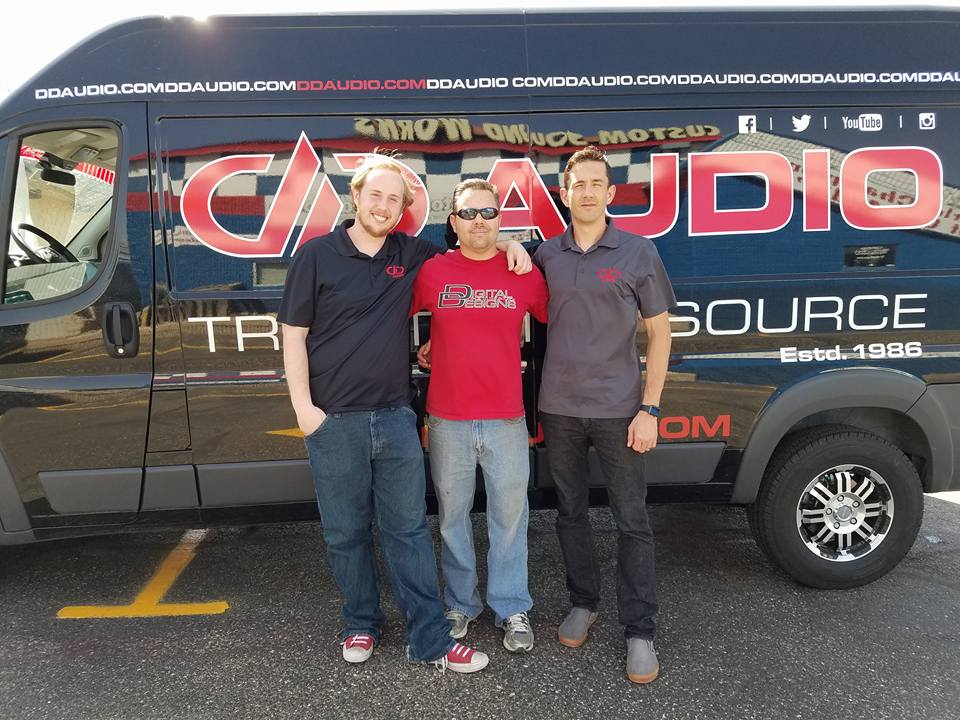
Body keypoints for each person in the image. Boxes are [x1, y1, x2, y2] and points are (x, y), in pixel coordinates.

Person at [278, 153, 531, 673]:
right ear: (356, 196)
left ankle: (430, 639)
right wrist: (305, 410)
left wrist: (508, 243)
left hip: (395, 416)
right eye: (376, 195)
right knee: (345, 532)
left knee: (409, 532)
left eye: (394, 199)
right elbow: (293, 335)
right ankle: (360, 622)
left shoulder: (413, 253)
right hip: (333, 420)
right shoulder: (316, 256)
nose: (384, 206)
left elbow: (472, 249)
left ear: (403, 209)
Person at [533, 146, 676, 684]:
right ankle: (584, 602)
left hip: (620, 411)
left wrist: (650, 408)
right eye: (579, 184)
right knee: (570, 512)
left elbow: (660, 335)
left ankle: (639, 630)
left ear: (611, 193)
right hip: (559, 408)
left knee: (631, 519)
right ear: (565, 194)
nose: (588, 192)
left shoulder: (638, 252)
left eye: (597, 183)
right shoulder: (547, 254)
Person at [411, 179, 548, 653]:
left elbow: (558, 318)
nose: (479, 221)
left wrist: (517, 247)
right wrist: (427, 343)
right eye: (468, 213)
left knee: (510, 518)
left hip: (507, 418)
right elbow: (387, 316)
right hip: (447, 418)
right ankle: (460, 604)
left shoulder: (523, 272)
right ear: (454, 222)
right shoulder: (433, 272)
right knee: (452, 519)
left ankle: (511, 607)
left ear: (499, 219)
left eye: (488, 213)